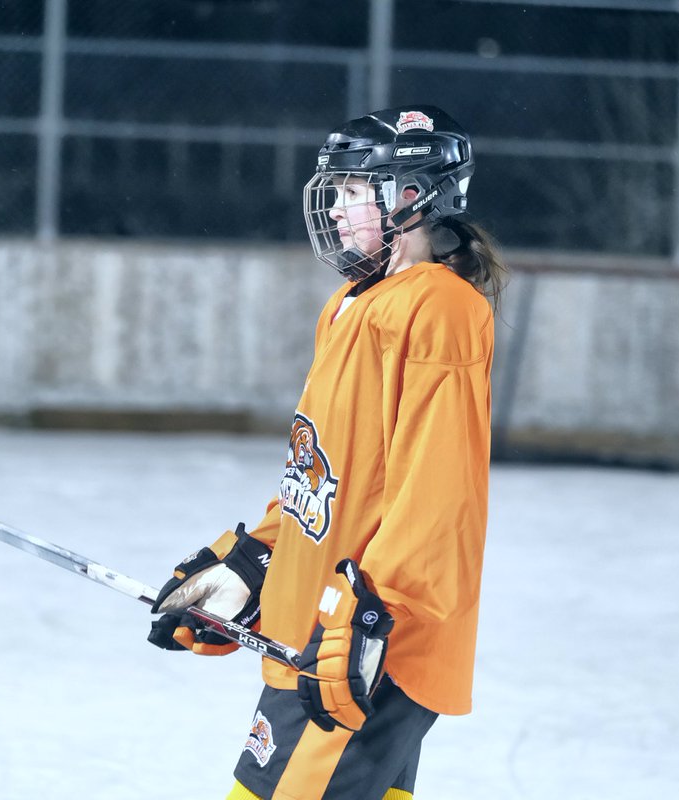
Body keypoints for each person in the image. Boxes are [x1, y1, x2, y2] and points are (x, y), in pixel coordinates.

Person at [147, 105, 505, 800]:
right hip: (322, 634)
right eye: (334, 190)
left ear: (409, 195)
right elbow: (325, 471)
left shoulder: (438, 308)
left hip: (365, 649)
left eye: (352, 190)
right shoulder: (350, 302)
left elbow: (438, 496)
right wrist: (258, 560)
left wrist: (371, 616)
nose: (335, 209)